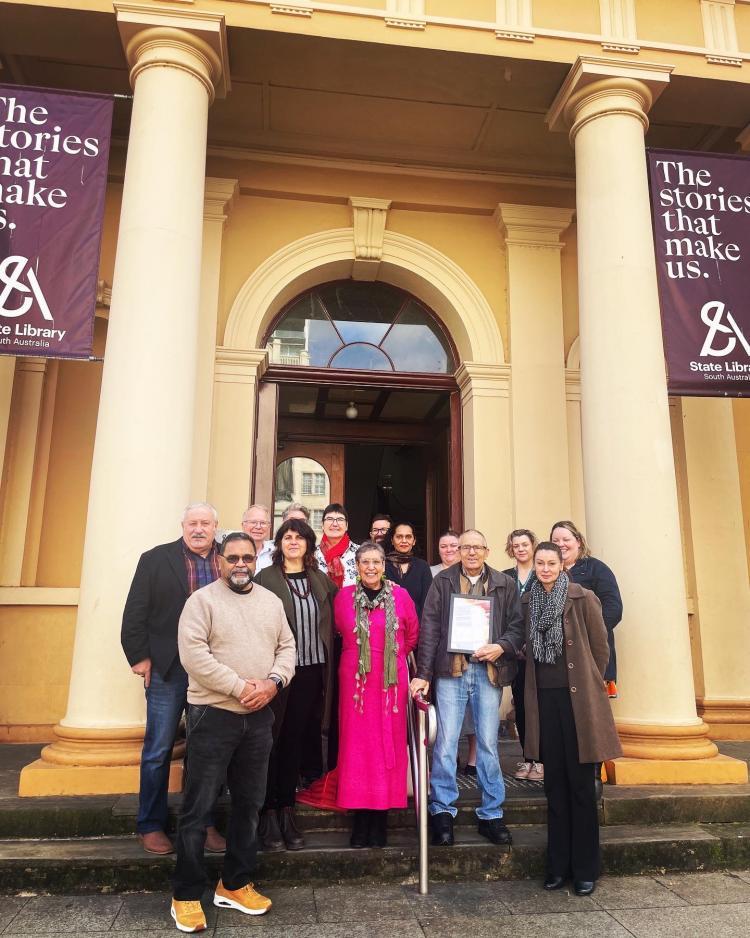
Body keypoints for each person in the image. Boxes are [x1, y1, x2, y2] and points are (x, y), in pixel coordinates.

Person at [171, 531, 296, 933]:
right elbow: (194, 656)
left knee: (250, 803)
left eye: (247, 557)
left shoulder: (270, 602)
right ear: (219, 561)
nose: (240, 564)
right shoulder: (201, 602)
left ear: (256, 558)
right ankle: (187, 894)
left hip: (259, 717)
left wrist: (272, 682)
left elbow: (287, 648)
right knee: (198, 806)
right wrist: (241, 686)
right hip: (214, 714)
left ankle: (235, 883)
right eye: (232, 558)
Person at [121, 503, 226, 856]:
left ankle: (202, 822)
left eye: (206, 523)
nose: (199, 529)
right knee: (158, 749)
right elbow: (135, 610)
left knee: (207, 751)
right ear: (183, 525)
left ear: (216, 527)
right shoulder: (155, 559)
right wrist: (140, 658)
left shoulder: (227, 560)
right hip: (168, 668)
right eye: (193, 523)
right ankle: (150, 824)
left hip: (213, 670)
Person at [410, 529, 524, 848]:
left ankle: (491, 813)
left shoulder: (505, 584)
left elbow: (517, 626)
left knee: (487, 742)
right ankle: (442, 811)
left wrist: (501, 646)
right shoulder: (443, 581)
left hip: (488, 671)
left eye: (477, 547)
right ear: (458, 551)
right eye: (465, 547)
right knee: (446, 742)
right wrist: (424, 673)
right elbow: (430, 627)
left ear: (487, 551)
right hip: (451, 671)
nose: (471, 552)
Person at [521, 541, 622, 896]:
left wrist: (589, 683)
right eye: (540, 563)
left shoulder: (582, 597)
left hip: (579, 703)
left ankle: (585, 869)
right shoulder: (528, 600)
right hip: (545, 702)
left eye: (551, 562)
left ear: (563, 564)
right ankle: (557, 866)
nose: (546, 568)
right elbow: (522, 643)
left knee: (581, 788)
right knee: (554, 788)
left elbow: (600, 646)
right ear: (534, 565)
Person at [254, 519, 337, 852]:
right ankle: (266, 811)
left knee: (294, 742)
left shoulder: (322, 581)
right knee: (270, 742)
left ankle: (286, 808)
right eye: (287, 537)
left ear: (308, 545)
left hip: (312, 673)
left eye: (299, 538)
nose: (293, 542)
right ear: (279, 543)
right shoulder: (266, 580)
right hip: (277, 673)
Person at [334, 541, 419, 848]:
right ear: (356, 566)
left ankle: (380, 820)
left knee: (386, 748)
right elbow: (338, 631)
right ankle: (359, 820)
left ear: (385, 566)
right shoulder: (343, 598)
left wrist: (390, 660)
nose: (370, 567)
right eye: (365, 562)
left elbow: (411, 635)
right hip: (355, 684)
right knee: (356, 749)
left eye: (376, 562)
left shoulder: (401, 596)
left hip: (389, 684)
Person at [550, 521, 622, 696]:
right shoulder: (547, 570)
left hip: (590, 651)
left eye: (566, 539)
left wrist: (589, 634)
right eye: (555, 540)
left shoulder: (597, 569)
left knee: (592, 710)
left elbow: (613, 608)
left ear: (578, 541)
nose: (561, 544)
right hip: (557, 658)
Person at [430, 529, 476, 775]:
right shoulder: (432, 574)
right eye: (444, 546)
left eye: (453, 546)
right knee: (446, 712)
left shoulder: (478, 575)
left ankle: (473, 759)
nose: (449, 550)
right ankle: (449, 761)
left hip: (474, 652)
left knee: (472, 711)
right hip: (445, 652)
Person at [502, 528, 543, 783]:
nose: (520, 549)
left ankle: (542, 761)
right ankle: (528, 759)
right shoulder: (506, 578)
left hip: (539, 651)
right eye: (516, 545)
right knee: (522, 708)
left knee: (541, 708)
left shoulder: (543, 574)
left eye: (524, 544)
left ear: (533, 546)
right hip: (515, 653)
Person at [384, 522, 434, 620]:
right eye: (399, 537)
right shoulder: (382, 565)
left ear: (414, 541)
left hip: (416, 627)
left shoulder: (422, 567)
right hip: (387, 627)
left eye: (408, 537)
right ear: (392, 540)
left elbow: (427, 603)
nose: (404, 540)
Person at [314, 503, 359, 588]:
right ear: (322, 525)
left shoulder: (361, 552)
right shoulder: (311, 554)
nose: (335, 524)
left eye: (340, 519)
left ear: (347, 526)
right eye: (330, 519)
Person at [242, 505, 274, 572]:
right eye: (253, 522)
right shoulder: (232, 551)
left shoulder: (277, 552)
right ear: (243, 525)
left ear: (269, 527)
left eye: (263, 523)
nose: (258, 527)